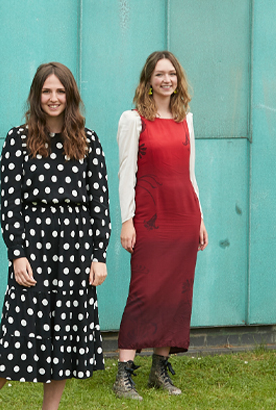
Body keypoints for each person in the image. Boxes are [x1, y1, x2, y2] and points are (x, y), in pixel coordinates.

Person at [0, 62, 110, 410]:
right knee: (16, 334)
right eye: (46, 91)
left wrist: (99, 255)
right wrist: (17, 253)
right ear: (36, 96)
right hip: (33, 247)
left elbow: (99, 203)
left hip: (76, 250)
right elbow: (10, 203)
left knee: (63, 336)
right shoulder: (18, 139)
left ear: (70, 95)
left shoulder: (88, 140)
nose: (53, 98)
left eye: (60, 91)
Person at [112, 50, 207, 400]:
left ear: (178, 80)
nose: (167, 79)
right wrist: (126, 220)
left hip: (184, 217)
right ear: (148, 80)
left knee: (176, 293)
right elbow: (126, 173)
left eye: (172, 74)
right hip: (150, 218)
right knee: (144, 291)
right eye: (159, 74)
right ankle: (124, 374)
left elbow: (189, 174)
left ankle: (159, 370)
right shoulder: (133, 119)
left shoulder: (187, 120)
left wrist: (200, 218)